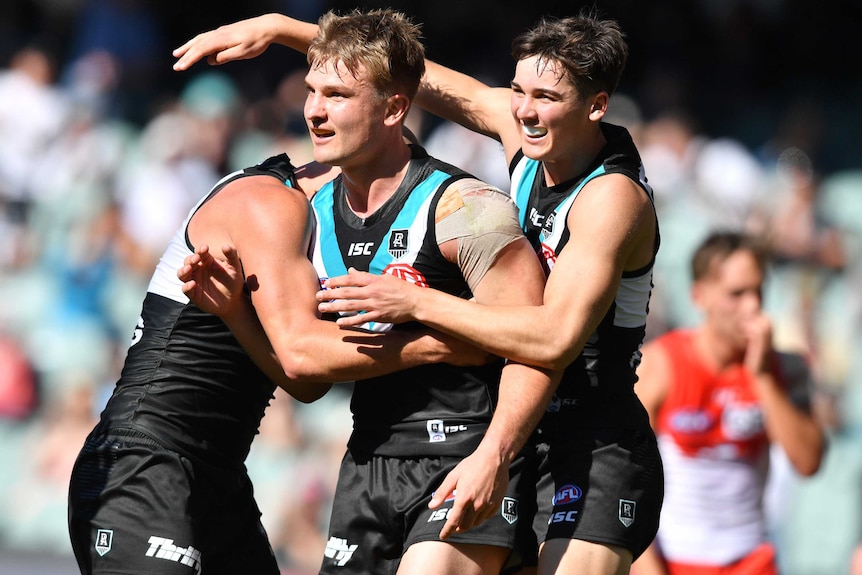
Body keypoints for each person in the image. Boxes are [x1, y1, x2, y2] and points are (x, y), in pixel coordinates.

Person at [173, 8, 664, 575]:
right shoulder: (532, 141)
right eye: (518, 91)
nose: (523, 110)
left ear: (596, 106)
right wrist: (287, 31)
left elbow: (553, 339)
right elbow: (409, 79)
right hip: (523, 423)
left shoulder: (612, 198)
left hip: (592, 436)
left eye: (545, 98)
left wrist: (417, 303)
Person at [630, 231, 824, 575]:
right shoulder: (660, 366)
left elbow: (808, 462)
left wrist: (762, 377)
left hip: (751, 558)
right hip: (673, 559)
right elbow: (623, 477)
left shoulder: (786, 368)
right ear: (699, 296)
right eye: (737, 294)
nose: (752, 306)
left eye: (758, 291)